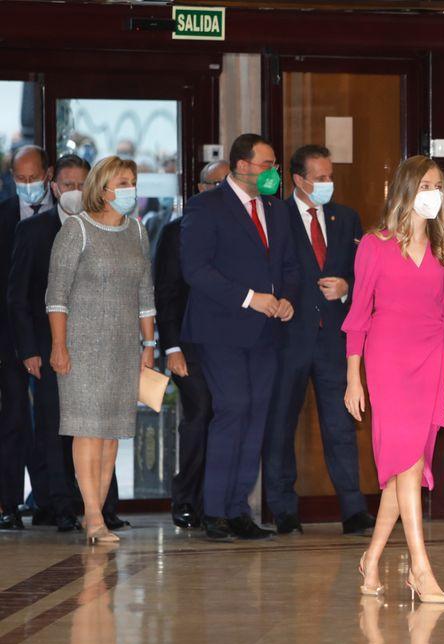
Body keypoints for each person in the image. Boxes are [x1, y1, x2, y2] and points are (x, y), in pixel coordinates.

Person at [343, 155, 444, 602]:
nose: (434, 193)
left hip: (430, 360)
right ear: (406, 190)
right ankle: (421, 570)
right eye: (426, 184)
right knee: (405, 463)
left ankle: (372, 559)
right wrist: (354, 378)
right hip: (387, 360)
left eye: (439, 185)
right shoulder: (375, 244)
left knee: (404, 467)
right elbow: (357, 317)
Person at [180, 133, 300, 542]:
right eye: (268, 165)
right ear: (242, 165)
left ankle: (239, 510)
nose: (274, 173)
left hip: (267, 332)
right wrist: (252, 299)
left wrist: (284, 300)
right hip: (222, 330)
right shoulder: (205, 206)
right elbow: (196, 270)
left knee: (256, 417)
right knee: (233, 409)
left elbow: (288, 265)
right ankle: (213, 511)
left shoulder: (277, 210)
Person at [45, 155, 156, 545]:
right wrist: (59, 345)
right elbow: (55, 296)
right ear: (103, 188)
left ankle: (100, 514)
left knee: (110, 435)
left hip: (124, 348)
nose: (130, 188)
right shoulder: (77, 229)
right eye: (123, 182)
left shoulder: (137, 232)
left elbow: (146, 294)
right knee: (87, 433)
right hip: (81, 346)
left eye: (132, 181)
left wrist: (149, 344)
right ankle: (93, 517)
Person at [263, 145, 373, 537]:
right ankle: (284, 510)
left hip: (333, 341)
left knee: (341, 425)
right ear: (298, 179)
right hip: (287, 338)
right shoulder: (275, 216)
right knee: (281, 425)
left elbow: (365, 273)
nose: (328, 183)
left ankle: (354, 509)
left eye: (331, 176)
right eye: (321, 177)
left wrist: (346, 287)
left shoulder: (346, 218)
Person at [7, 154, 98, 534]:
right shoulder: (34, 231)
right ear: (54, 187)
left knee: (92, 428)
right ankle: (59, 505)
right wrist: (29, 349)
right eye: (69, 185)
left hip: (95, 348)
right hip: (48, 348)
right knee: (51, 427)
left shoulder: (103, 227)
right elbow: (18, 296)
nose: (75, 192)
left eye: (82, 185)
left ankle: (96, 504)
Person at [154, 159, 227, 529]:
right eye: (216, 185)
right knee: (200, 416)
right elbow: (165, 294)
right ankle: (187, 499)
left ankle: (217, 502)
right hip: (188, 343)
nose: (223, 191)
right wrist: (170, 347)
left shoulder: (243, 231)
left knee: (226, 417)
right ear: (199, 189)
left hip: (229, 344)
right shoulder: (175, 232)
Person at [0, 145, 50, 529]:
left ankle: (52, 500)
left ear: (47, 174)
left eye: (34, 178)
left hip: (55, 335)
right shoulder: (3, 216)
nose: (29, 186)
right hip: (10, 339)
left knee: (54, 421)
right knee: (14, 419)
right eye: (21, 179)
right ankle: (9, 504)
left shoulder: (67, 215)